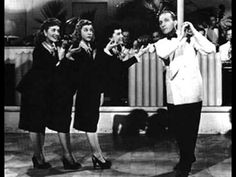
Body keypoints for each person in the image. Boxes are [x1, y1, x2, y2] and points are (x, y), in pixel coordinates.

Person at [149, 10, 215, 177]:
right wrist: (180, 38)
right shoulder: (161, 43)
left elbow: (210, 49)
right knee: (178, 130)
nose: (162, 23)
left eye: (166, 20)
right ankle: (188, 156)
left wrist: (192, 31)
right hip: (174, 94)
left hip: (192, 91)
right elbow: (165, 53)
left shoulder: (191, 40)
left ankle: (185, 161)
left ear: (175, 22)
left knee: (191, 130)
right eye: (160, 21)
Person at [16, 18, 80, 170]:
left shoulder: (56, 47)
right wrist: (60, 58)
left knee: (42, 123)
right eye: (53, 30)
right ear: (45, 32)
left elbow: (58, 72)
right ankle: (38, 157)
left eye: (58, 30)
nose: (56, 33)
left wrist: (64, 58)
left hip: (45, 91)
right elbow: (45, 71)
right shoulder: (39, 48)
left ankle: (39, 157)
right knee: (35, 123)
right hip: (34, 90)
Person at [219, 27, 232, 105]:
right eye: (229, 34)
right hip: (226, 71)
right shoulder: (222, 47)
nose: (230, 36)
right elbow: (221, 60)